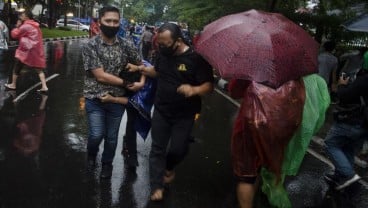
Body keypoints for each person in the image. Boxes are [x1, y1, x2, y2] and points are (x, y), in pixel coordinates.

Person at [127, 22, 214, 201]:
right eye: (159, 44)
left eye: (165, 44)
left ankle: (169, 167)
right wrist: (140, 69)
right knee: (157, 148)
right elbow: (157, 72)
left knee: (178, 148)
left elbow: (209, 85)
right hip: (161, 110)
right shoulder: (161, 54)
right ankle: (156, 187)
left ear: (178, 41)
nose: (161, 47)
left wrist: (194, 90)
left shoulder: (196, 59)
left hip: (185, 113)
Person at [82, 6, 142, 179]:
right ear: (99, 21)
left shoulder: (126, 44)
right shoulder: (90, 45)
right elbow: (100, 76)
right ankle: (92, 155)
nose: (112, 24)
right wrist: (128, 82)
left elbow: (142, 65)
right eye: (108, 21)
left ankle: (107, 164)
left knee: (111, 137)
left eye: (116, 21)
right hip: (95, 97)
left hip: (117, 99)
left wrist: (140, 83)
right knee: (96, 134)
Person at [324, 72, 368, 190]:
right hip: (364, 126)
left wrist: (342, 85)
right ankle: (340, 176)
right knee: (348, 148)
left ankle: (348, 175)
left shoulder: (364, 79)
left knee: (331, 144)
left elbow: (344, 96)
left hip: (353, 121)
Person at [4, 10, 48, 92]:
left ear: (27, 17)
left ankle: (13, 84)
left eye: (23, 14)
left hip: (26, 51)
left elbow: (15, 35)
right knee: (39, 69)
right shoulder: (35, 25)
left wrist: (17, 27)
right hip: (35, 50)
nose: (21, 15)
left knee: (17, 66)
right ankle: (44, 86)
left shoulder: (25, 26)